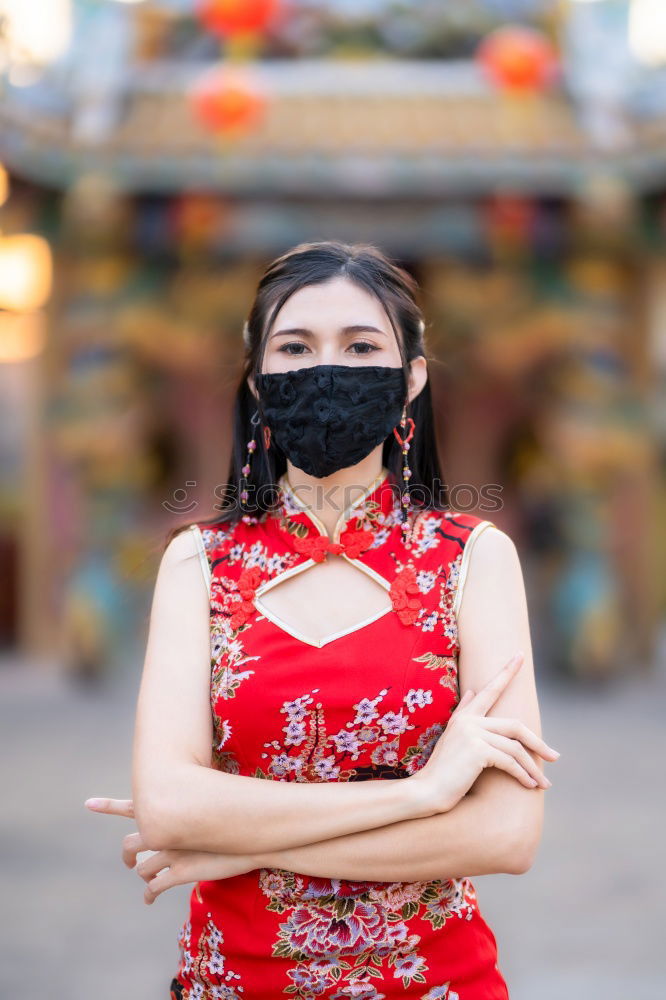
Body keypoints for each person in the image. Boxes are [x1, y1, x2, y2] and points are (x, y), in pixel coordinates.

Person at [84, 240, 559, 999]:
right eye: (295, 346)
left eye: (361, 345)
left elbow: (505, 835)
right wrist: (423, 795)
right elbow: (172, 808)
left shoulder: (476, 561)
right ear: (258, 380)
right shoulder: (198, 565)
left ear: (412, 381)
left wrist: (232, 846)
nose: (325, 367)